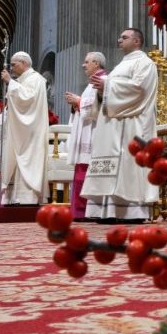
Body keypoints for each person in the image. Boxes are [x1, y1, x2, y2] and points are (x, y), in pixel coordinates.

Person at [82, 28, 159, 222]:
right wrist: (101, 92)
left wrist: (107, 86)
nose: (119, 40)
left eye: (124, 37)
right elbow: (110, 93)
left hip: (133, 124)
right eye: (120, 37)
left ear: (137, 41)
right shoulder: (119, 67)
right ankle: (106, 211)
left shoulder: (145, 63)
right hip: (113, 124)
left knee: (127, 164)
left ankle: (131, 212)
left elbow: (139, 90)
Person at [0, 51, 50, 205]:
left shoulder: (36, 79)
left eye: (14, 64)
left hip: (30, 131)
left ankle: (27, 198)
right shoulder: (23, 80)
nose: (12, 68)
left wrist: (10, 82)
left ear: (24, 63)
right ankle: (13, 198)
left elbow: (28, 99)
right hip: (20, 130)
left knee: (27, 159)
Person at [64, 51, 107, 220]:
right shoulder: (91, 83)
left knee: (87, 172)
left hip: (95, 133)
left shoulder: (103, 81)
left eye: (87, 61)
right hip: (87, 132)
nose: (84, 65)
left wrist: (79, 102)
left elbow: (100, 108)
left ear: (96, 63)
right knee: (81, 171)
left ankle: (85, 211)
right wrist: (76, 104)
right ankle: (79, 211)